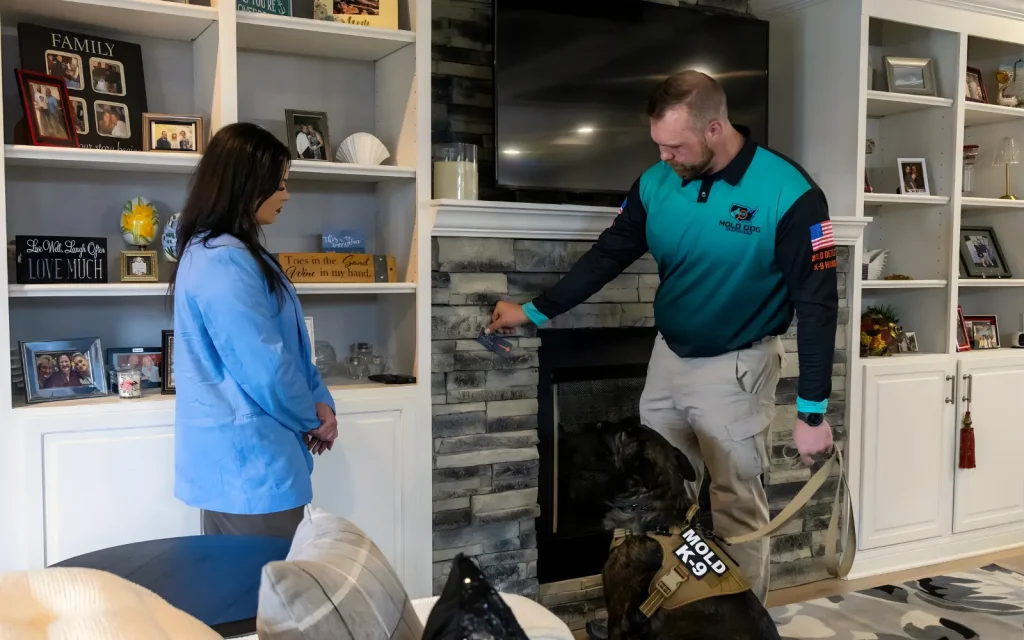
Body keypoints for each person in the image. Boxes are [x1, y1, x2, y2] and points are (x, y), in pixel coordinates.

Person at [486, 70, 837, 602]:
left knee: (735, 504)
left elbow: (816, 305)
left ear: (715, 128)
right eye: (658, 144)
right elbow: (608, 255)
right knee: (654, 498)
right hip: (668, 359)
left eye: (675, 145)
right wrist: (535, 311)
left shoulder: (790, 194)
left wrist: (812, 413)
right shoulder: (656, 182)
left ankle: (737, 628)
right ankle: (663, 610)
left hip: (738, 366)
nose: (664, 156)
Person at [169, 122, 339, 540]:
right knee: (261, 597)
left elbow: (291, 351)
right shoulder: (222, 261)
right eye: (278, 183)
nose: (286, 194)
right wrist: (311, 415)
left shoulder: (232, 254)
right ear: (247, 184)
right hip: (251, 468)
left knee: (258, 594)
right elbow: (264, 364)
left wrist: (321, 402)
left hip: (255, 465)